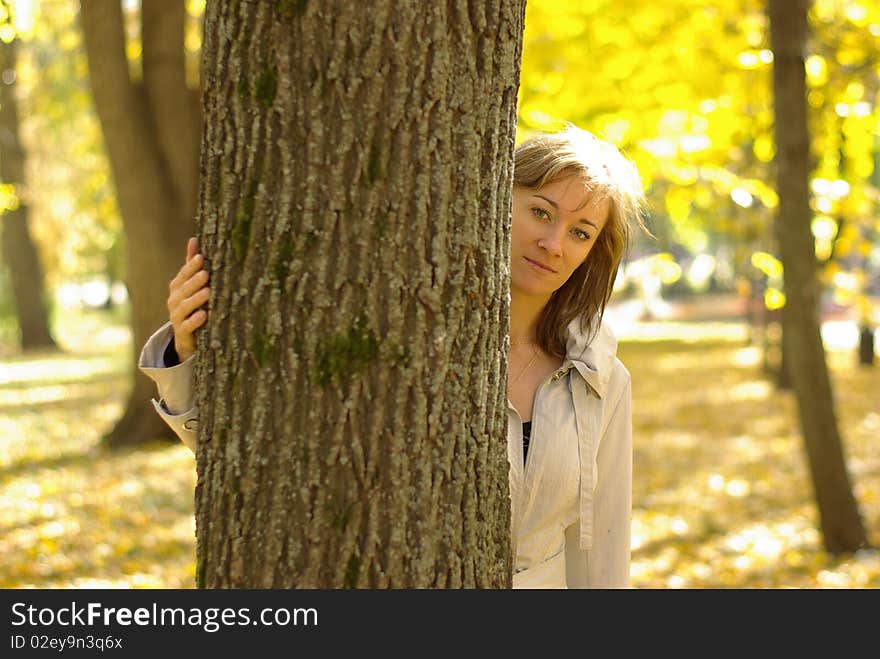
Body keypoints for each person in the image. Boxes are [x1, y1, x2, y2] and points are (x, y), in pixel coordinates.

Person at [139, 124, 648, 588]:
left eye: (580, 232)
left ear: (591, 255)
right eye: (541, 211)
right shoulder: (407, 335)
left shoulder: (600, 379)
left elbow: (602, 549)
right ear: (498, 199)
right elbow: (270, 460)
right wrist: (190, 354)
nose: (554, 243)